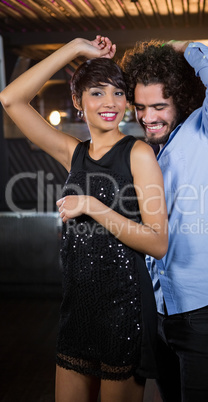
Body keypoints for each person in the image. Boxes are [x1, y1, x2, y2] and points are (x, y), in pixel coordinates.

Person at [0, 36, 168, 402]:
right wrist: (75, 48)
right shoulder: (72, 154)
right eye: (97, 93)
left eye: (118, 93)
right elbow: (10, 99)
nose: (110, 103)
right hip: (77, 310)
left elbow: (158, 242)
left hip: (125, 311)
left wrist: (92, 205)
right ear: (78, 102)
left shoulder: (138, 154)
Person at [120, 39, 208, 401]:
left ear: (181, 97)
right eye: (141, 107)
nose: (148, 117)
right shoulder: (148, 154)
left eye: (159, 105)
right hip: (161, 315)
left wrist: (182, 47)